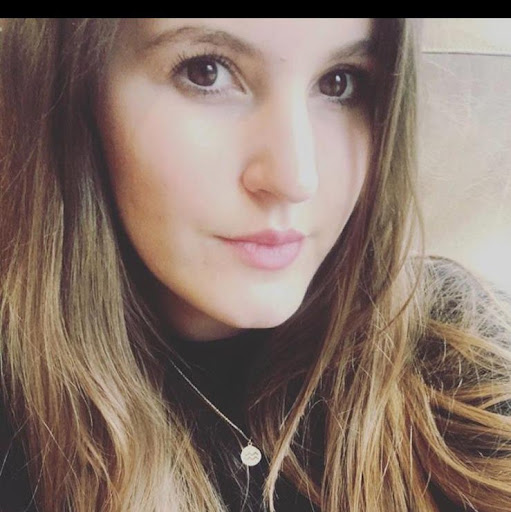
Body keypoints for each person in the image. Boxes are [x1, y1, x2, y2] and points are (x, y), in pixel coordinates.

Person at [0, 18, 510, 512]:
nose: (295, 178)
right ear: (73, 90)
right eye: (206, 72)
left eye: (340, 83)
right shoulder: (20, 431)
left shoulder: (464, 355)